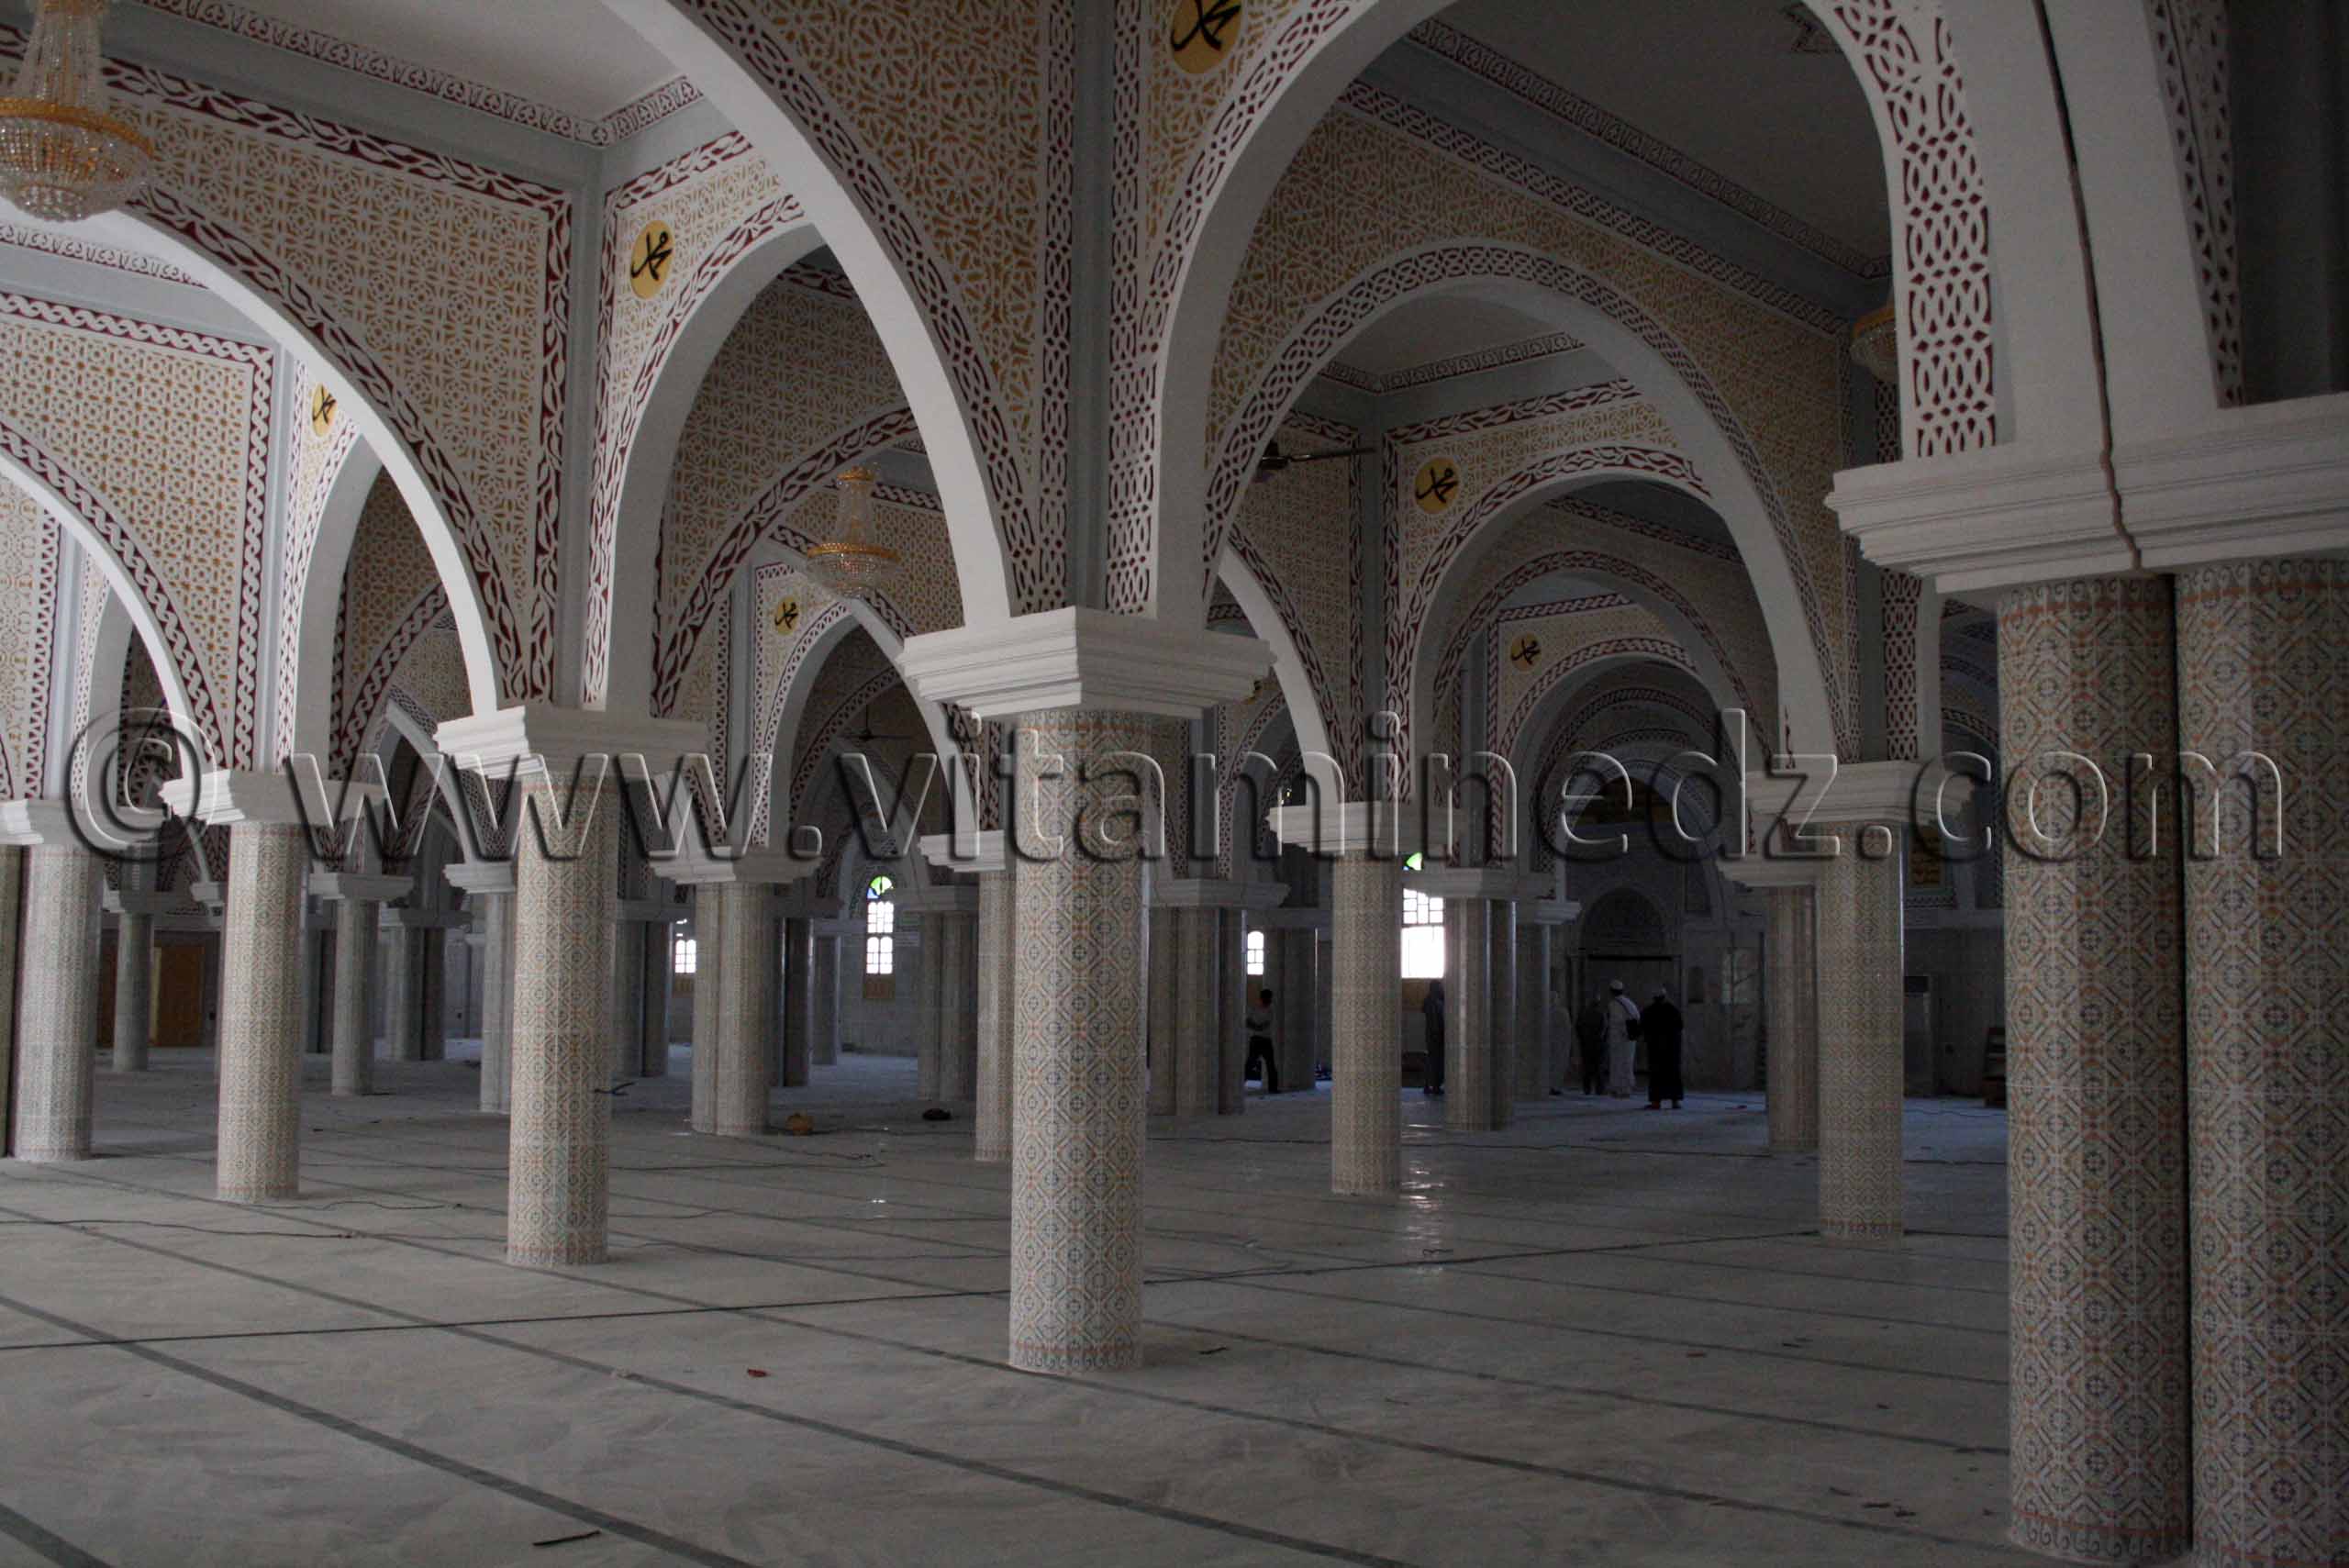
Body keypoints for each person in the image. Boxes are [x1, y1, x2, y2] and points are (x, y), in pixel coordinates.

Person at [1644, 986, 1685, 1110]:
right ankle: (1675, 1102)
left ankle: (1656, 1102)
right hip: (1672, 1049)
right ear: (1664, 996)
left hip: (1656, 1049)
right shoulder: (1673, 1010)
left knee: (1656, 1075)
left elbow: (1644, 1027)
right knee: (1673, 1074)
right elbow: (1680, 1026)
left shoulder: (1649, 1011)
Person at [1603, 980, 1641, 1098]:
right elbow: (1637, 1018)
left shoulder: (1614, 1004)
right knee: (1628, 1063)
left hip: (1619, 1039)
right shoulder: (1630, 1003)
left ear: (1611, 991)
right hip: (1630, 1038)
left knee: (1617, 1064)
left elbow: (1616, 1022)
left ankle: (1619, 1089)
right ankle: (1626, 1087)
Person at [1244, 987, 1279, 1094]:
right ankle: (1238, 1084)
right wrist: (1257, 1027)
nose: (1269, 1000)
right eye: (1268, 998)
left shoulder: (1270, 1010)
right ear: (1262, 998)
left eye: (1269, 998)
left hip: (1265, 1040)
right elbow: (1247, 1022)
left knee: (1270, 1065)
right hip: (1256, 1040)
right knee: (1251, 1064)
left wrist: (1255, 1026)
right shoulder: (1254, 1009)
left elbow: (1264, 1025)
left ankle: (1273, 1088)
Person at [1575, 993, 1607, 1096]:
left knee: (1587, 1067)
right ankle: (1599, 1089)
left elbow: (1578, 1027)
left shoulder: (1583, 1014)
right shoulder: (1601, 1014)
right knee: (1599, 1067)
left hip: (1586, 1044)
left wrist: (1582, 1039)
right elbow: (1604, 1029)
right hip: (1598, 1044)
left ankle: (1587, 1089)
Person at [1420, 977, 1447, 1096]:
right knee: (1435, 1062)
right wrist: (1437, 1035)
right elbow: (1434, 1021)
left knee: (1434, 1061)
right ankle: (1433, 1086)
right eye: (1440, 987)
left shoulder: (1435, 1000)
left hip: (1435, 1036)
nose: (1442, 989)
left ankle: (1431, 1085)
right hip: (1435, 1037)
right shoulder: (1432, 1001)